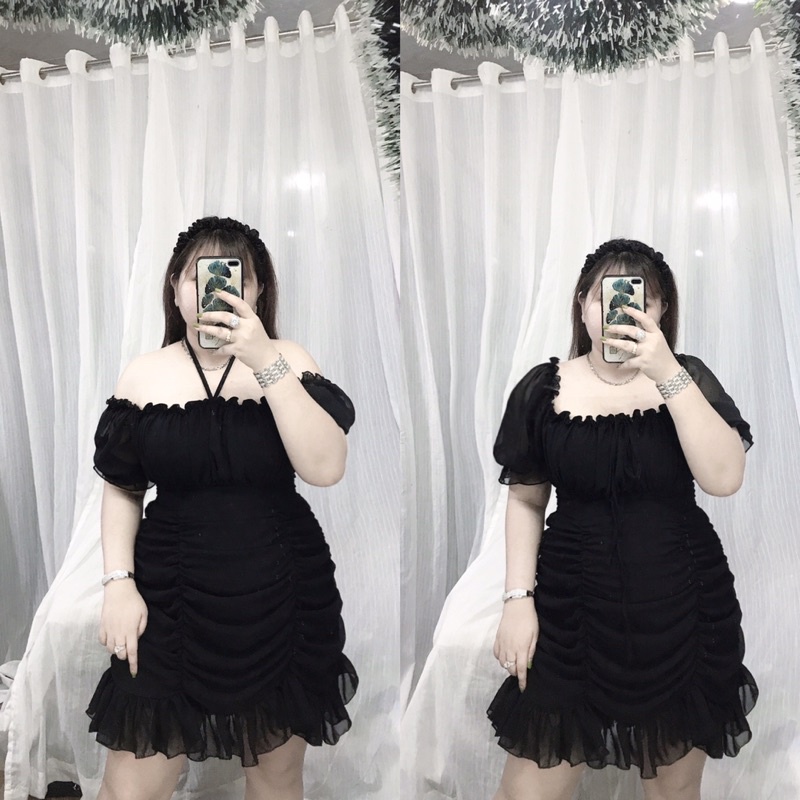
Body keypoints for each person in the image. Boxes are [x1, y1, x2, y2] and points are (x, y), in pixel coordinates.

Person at [88, 216, 358, 800]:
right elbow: (122, 487)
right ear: (175, 287)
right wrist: (117, 583)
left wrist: (265, 360)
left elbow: (325, 467)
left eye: (234, 276)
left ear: (257, 291)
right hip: (169, 593)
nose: (211, 289)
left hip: (281, 590)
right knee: (131, 785)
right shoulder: (144, 373)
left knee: (276, 778)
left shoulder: (288, 359)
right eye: (196, 275)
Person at [488, 239, 757, 800]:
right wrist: (517, 600)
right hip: (571, 613)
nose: (621, 310)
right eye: (605, 296)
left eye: (642, 300)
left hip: (682, 608)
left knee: (673, 792)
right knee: (525, 792)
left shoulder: (685, 378)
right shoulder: (543, 389)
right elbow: (527, 500)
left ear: (662, 311)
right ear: (582, 303)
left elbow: (725, 477)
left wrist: (667, 372)